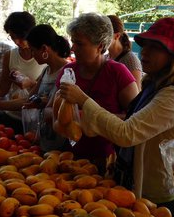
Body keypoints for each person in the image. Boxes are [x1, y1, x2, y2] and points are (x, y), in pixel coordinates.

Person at [58, 17, 174, 217]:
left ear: (173, 56)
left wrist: (83, 100)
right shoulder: (154, 85)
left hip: (159, 199)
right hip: (134, 188)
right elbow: (131, 123)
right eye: (145, 45)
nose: (144, 53)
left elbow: (127, 133)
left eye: (155, 48)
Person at [56, 13, 139, 174]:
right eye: (73, 42)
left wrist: (86, 116)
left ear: (100, 46)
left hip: (107, 161)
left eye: (79, 44)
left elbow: (135, 119)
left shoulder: (117, 73)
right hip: (69, 157)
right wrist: (60, 119)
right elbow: (54, 113)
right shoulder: (67, 72)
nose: (73, 49)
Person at [0, 24, 71, 150]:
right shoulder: (46, 72)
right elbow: (28, 100)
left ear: (44, 49)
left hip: (61, 144)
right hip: (44, 140)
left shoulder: (67, 73)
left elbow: (64, 111)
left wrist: (42, 103)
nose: (31, 54)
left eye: (32, 50)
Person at [107, 15, 142, 90]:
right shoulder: (106, 57)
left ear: (116, 36)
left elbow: (136, 94)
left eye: (105, 35)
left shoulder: (130, 60)